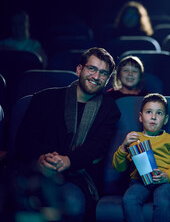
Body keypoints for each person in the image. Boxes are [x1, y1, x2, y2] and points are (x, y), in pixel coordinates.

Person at [12, 47, 121, 221]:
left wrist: (68, 160)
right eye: (91, 69)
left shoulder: (109, 109)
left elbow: (97, 147)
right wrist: (43, 158)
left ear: (107, 80)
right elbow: (23, 141)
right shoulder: (43, 98)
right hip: (35, 170)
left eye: (102, 73)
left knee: (70, 201)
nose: (95, 76)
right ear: (79, 70)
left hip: (76, 177)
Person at [112, 93, 170, 222]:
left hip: (166, 182)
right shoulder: (133, 138)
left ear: (165, 119)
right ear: (141, 117)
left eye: (159, 113)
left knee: (163, 200)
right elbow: (119, 168)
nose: (153, 117)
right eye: (149, 112)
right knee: (129, 199)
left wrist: (167, 175)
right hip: (140, 181)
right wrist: (124, 146)